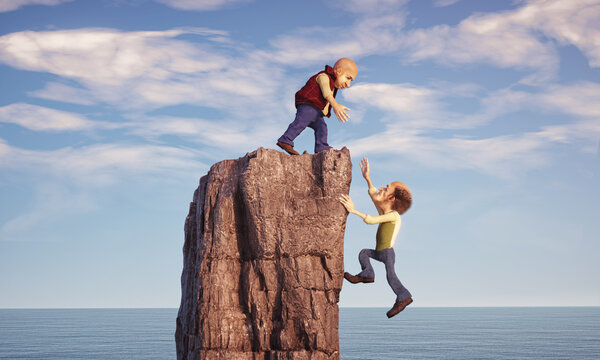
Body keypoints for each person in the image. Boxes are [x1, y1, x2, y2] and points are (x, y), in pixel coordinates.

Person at [339, 158, 413, 318]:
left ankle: (404, 296)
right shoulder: (386, 213)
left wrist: (353, 210)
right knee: (364, 253)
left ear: (392, 199)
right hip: (380, 251)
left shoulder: (393, 216)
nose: (381, 188)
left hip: (387, 253)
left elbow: (371, 220)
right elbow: (374, 197)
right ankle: (368, 274)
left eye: (386, 189)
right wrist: (367, 178)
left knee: (390, 275)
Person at [277, 58, 357, 155]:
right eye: (348, 78)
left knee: (322, 127)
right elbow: (326, 92)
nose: (348, 84)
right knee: (301, 122)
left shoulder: (333, 85)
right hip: (308, 105)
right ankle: (285, 139)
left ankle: (321, 147)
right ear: (339, 71)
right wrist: (335, 106)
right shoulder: (324, 76)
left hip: (316, 111)